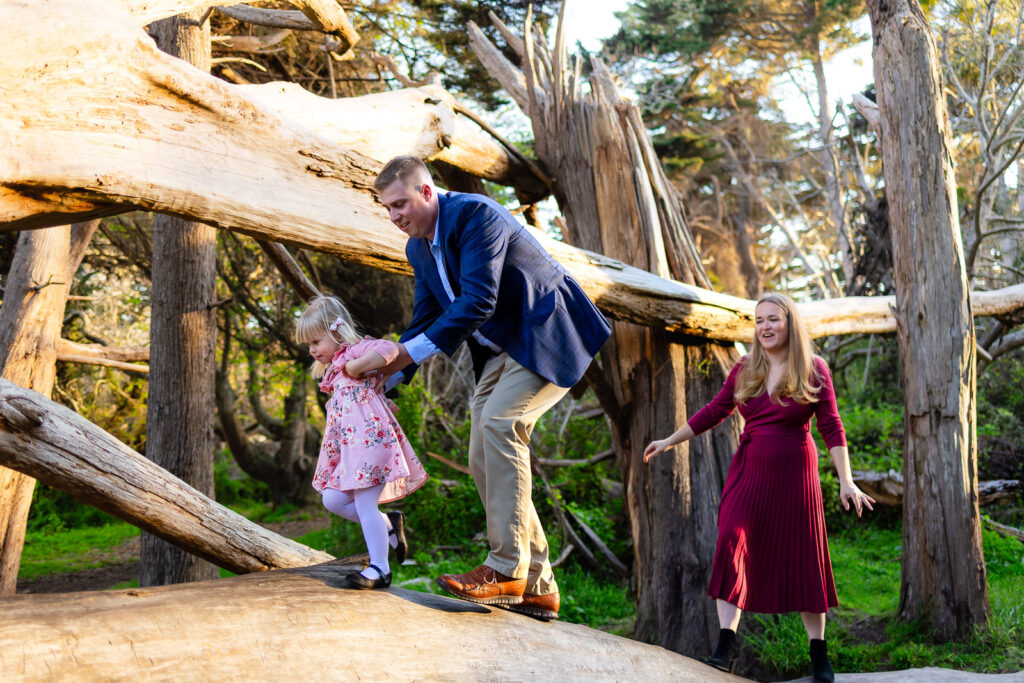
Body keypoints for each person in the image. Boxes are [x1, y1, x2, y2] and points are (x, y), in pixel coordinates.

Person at [368, 155, 610, 621]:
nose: (395, 216)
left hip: (544, 333)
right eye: (387, 209)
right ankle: (538, 585)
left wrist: (404, 355)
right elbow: (426, 319)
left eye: (400, 204)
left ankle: (504, 569)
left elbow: (479, 299)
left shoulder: (476, 215)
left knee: (502, 424)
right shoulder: (418, 248)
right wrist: (389, 374)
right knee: (482, 454)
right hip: (500, 350)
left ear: (425, 192)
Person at [644, 292, 875, 683]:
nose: (765, 327)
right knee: (731, 541)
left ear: (790, 324)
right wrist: (669, 439)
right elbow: (716, 410)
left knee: (805, 558)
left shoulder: (814, 369)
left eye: (773, 319)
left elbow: (832, 425)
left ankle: (818, 652)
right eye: (759, 321)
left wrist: (846, 480)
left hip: (796, 475)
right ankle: (726, 645)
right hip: (749, 470)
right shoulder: (745, 368)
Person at [296, 295, 428, 590]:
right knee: (332, 499)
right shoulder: (333, 369)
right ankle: (389, 525)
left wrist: (357, 367)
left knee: (366, 503)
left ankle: (380, 567)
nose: (312, 350)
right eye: (309, 345)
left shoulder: (357, 351)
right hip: (352, 448)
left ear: (337, 332)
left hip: (372, 440)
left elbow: (391, 349)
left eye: (316, 341)